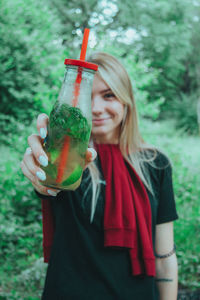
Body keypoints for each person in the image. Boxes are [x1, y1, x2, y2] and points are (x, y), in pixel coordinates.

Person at [21, 52, 178, 300]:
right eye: (87, 96)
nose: (95, 109)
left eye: (108, 95)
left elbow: (165, 256)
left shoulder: (156, 164)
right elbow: (46, 185)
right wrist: (40, 166)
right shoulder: (69, 158)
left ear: (126, 100)